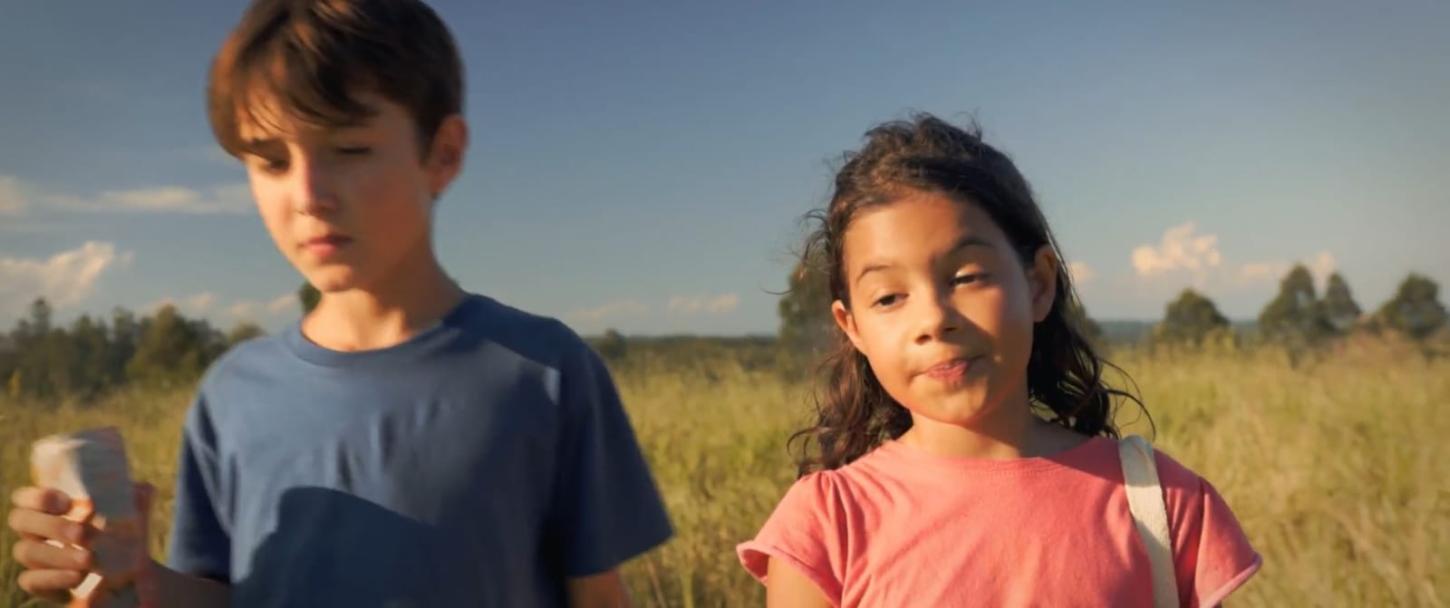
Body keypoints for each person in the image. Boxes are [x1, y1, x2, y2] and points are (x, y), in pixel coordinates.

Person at [7, 1, 671, 605]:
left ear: (442, 155)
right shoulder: (232, 394)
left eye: (349, 149)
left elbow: (598, 597)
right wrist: (136, 579)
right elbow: (227, 596)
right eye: (269, 161)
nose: (308, 193)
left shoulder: (546, 370)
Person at [737, 114, 1260, 607]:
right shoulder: (826, 526)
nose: (934, 319)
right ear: (853, 328)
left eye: (966, 277)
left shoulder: (1161, 501)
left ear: (1038, 284)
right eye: (889, 297)